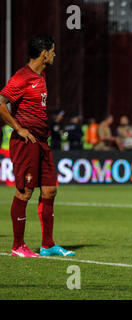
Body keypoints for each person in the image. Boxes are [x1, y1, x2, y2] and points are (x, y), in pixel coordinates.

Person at [0, 35, 75, 257]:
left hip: (42, 141)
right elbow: (2, 104)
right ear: (44, 54)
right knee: (25, 192)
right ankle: (17, 246)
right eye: (52, 51)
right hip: (26, 142)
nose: (54, 55)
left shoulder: (41, 76)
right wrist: (19, 128)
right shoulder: (22, 77)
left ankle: (48, 245)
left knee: (50, 190)